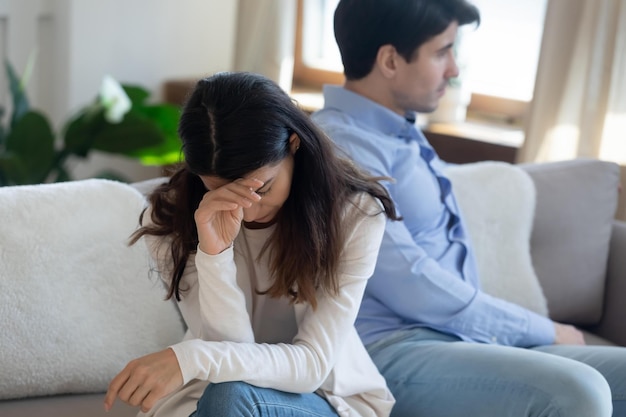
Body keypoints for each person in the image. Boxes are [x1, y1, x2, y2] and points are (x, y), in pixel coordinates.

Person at [311, 1, 626, 416]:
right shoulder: (340, 147)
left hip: (456, 342)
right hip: (391, 350)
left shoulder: (398, 132)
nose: (453, 69)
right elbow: (411, 282)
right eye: (442, 51)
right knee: (578, 392)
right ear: (389, 60)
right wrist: (543, 329)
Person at [103, 71, 399, 417]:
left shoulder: (355, 215)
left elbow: (312, 365)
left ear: (293, 144)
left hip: (323, 398)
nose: (248, 210)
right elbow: (232, 353)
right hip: (219, 396)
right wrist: (214, 254)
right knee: (228, 396)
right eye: (220, 191)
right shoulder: (173, 219)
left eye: (262, 188)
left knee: (231, 398)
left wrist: (192, 357)